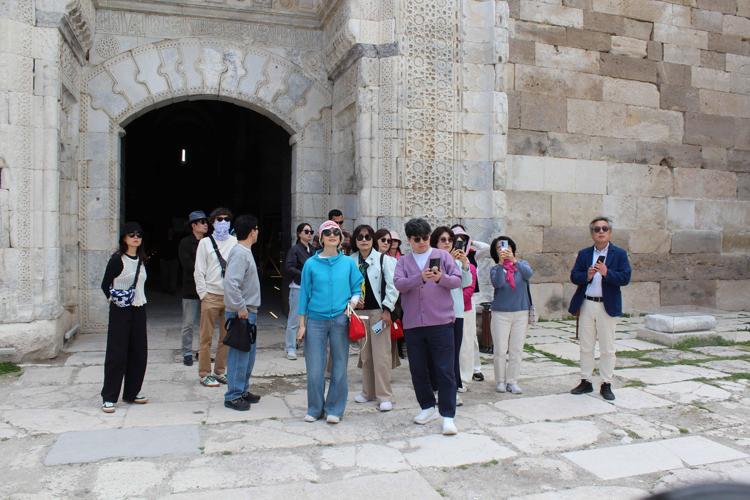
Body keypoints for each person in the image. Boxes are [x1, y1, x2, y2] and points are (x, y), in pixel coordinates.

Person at [394, 218, 462, 436]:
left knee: (445, 369)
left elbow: (457, 280)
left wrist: (441, 277)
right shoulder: (403, 261)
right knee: (418, 369)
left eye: (425, 237)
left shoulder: (442, 256)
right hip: (413, 323)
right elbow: (399, 284)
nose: (422, 242)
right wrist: (419, 278)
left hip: (441, 322)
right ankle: (427, 407)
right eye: (417, 239)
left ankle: (448, 415)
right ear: (409, 240)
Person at [297, 220, 363, 424]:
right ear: (321, 238)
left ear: (340, 238)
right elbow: (304, 294)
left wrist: (352, 303)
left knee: (340, 366)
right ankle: (315, 408)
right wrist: (302, 324)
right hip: (315, 320)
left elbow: (357, 287)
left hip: (340, 319)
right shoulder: (310, 264)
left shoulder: (348, 263)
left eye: (336, 232)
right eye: (327, 232)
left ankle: (335, 408)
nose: (332, 235)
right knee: (315, 368)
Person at [569, 217, 631, 401]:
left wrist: (606, 273)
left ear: (610, 232)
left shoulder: (619, 254)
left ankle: (606, 383)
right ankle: (586, 380)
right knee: (586, 345)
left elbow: (625, 278)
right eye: (597, 229)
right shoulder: (584, 254)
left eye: (604, 228)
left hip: (607, 305)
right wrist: (586, 276)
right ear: (592, 233)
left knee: (607, 348)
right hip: (587, 303)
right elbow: (574, 276)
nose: (601, 232)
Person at [99, 222, 149, 413]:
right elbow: (105, 285)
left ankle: (132, 392)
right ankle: (109, 397)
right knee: (117, 353)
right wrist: (116, 300)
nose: (135, 237)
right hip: (121, 310)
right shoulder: (117, 260)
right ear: (124, 238)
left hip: (139, 308)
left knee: (138, 352)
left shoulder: (142, 259)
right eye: (131, 234)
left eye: (139, 234)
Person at [350, 224, 400, 412]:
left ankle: (384, 396)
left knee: (381, 356)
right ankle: (368, 392)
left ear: (372, 240)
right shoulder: (350, 260)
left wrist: (387, 310)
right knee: (365, 355)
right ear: (355, 240)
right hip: (360, 313)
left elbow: (393, 287)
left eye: (367, 237)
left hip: (379, 313)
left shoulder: (383, 260)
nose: (364, 240)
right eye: (360, 237)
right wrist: (352, 301)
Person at [194, 208, 237, 387]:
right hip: (211, 295)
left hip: (229, 296)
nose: (223, 222)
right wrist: (203, 294)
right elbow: (199, 270)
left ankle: (220, 371)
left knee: (226, 338)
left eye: (227, 219)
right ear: (213, 222)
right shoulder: (205, 243)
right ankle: (204, 373)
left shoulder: (235, 242)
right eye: (219, 219)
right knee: (206, 337)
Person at [223, 215, 262, 411]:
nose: (258, 232)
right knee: (239, 355)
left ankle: (242, 390)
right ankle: (233, 395)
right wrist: (240, 308)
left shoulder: (245, 252)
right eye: (257, 229)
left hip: (248, 312)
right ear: (252, 231)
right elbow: (231, 283)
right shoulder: (240, 253)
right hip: (242, 313)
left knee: (248, 355)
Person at [430, 226, 472, 405]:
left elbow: (466, 283)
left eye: (450, 240)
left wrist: (464, 264)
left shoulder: (458, 261)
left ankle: (452, 390)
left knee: (453, 353)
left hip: (456, 312)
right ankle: (437, 388)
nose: (447, 243)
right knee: (437, 353)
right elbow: (436, 283)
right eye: (443, 240)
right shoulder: (432, 260)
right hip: (437, 313)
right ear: (436, 242)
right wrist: (451, 263)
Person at [489, 236, 533, 394]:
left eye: (506, 247)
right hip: (500, 313)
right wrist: (502, 264)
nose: (503, 250)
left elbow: (528, 274)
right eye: (499, 248)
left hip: (521, 312)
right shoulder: (495, 269)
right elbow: (498, 283)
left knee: (516, 349)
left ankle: (512, 381)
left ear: (512, 248)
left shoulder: (522, 265)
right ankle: (500, 381)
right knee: (500, 350)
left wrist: (514, 260)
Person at [453, 224, 486, 383]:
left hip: (469, 298)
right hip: (453, 301)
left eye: (463, 239)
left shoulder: (472, 254)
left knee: (470, 336)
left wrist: (471, 242)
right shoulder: (448, 258)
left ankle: (475, 368)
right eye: (456, 239)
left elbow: (487, 248)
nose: (460, 242)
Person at [178, 210, 208, 366]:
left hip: (208, 289)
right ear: (193, 225)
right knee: (188, 323)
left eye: (206, 222)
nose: (205, 225)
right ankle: (187, 353)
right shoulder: (185, 243)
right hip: (191, 289)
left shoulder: (210, 242)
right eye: (202, 222)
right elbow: (188, 265)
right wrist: (204, 272)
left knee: (206, 324)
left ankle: (204, 352)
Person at [284, 222, 315, 360]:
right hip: (298, 287)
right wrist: (303, 274)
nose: (309, 234)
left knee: (309, 319)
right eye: (306, 231)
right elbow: (289, 267)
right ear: (299, 233)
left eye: (311, 232)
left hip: (311, 289)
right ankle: (290, 348)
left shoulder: (313, 250)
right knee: (294, 319)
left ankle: (306, 347)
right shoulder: (294, 250)